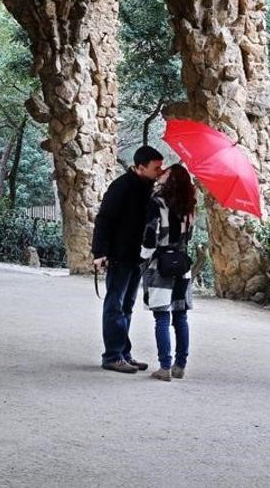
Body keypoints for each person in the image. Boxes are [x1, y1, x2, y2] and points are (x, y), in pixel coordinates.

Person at [92, 145, 164, 373]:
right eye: (156, 168)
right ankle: (112, 355)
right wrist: (99, 253)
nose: (160, 171)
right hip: (119, 255)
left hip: (137, 256)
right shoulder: (121, 187)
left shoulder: (149, 188)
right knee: (115, 304)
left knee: (127, 306)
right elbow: (104, 219)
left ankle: (123, 352)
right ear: (141, 167)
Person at [139, 163, 196, 382]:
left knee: (161, 317)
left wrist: (143, 257)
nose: (161, 175)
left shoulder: (157, 203)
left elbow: (151, 236)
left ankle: (164, 367)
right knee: (180, 317)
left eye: (165, 174)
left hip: (160, 265)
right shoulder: (189, 206)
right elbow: (187, 237)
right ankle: (180, 365)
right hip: (182, 265)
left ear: (170, 181)